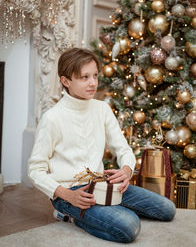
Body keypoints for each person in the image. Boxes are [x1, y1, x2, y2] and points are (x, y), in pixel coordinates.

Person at [28, 47, 176, 243]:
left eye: (95, 76)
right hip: (71, 192)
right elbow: (35, 170)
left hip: (101, 184)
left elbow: (123, 149)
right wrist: (66, 196)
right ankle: (69, 215)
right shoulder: (52, 118)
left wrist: (125, 170)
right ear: (65, 81)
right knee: (129, 226)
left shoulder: (102, 109)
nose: (93, 83)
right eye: (84, 77)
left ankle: (105, 210)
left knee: (167, 210)